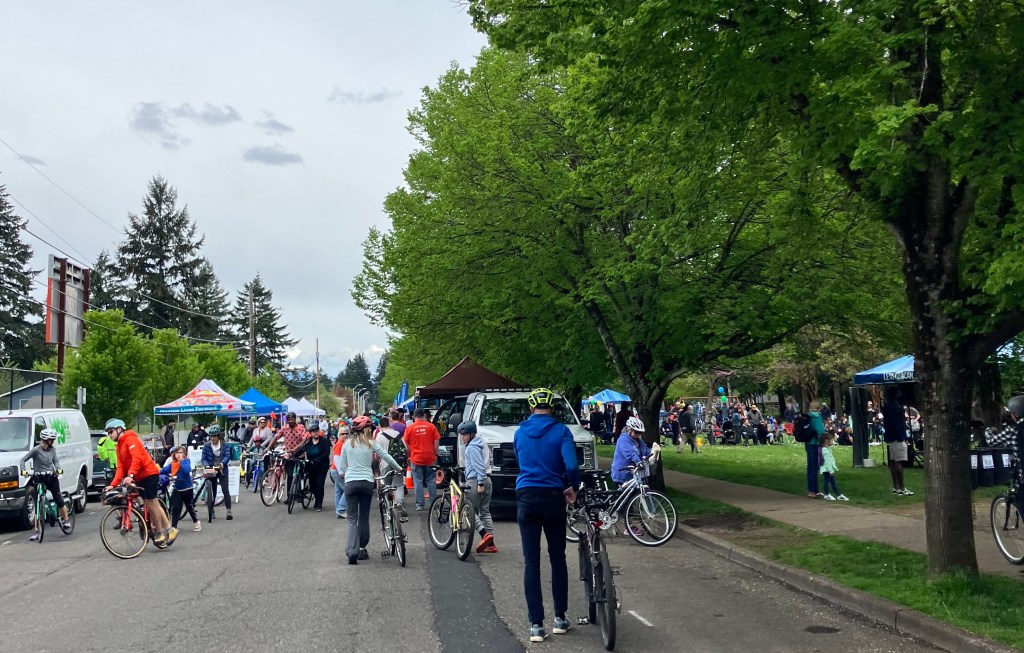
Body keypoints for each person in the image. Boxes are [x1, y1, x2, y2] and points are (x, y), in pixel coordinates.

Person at [513, 388, 579, 642]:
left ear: (531, 408)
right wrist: (572, 486)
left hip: (526, 494)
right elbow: (571, 466)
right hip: (553, 495)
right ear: (552, 408)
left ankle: (536, 625)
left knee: (531, 561)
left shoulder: (520, 432)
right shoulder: (561, 431)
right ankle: (560, 618)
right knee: (557, 557)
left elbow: (522, 461)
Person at [104, 418, 178, 546]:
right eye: (108, 433)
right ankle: (167, 529)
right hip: (138, 477)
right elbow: (120, 468)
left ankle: (161, 532)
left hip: (149, 474)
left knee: (151, 502)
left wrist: (131, 475)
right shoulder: (119, 446)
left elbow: (137, 458)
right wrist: (112, 485)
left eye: (111, 431)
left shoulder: (130, 439)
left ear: (119, 429)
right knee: (146, 502)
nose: (109, 435)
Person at [339, 415, 401, 565]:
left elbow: (342, 467)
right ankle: (361, 548)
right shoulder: (371, 443)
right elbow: (386, 456)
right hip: (367, 483)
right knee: (364, 517)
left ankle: (351, 551)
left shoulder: (347, 444)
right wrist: (399, 468)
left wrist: (348, 474)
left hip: (351, 484)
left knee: (352, 519)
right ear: (367, 430)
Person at [19, 428, 71, 540]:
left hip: (51, 477)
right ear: (46, 440)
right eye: (51, 439)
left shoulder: (52, 450)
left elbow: (56, 461)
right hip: (39, 477)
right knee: (38, 504)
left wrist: (59, 469)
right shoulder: (36, 450)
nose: (53, 441)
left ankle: (66, 521)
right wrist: (23, 471)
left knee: (59, 499)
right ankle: (36, 531)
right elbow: (23, 460)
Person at [460, 419, 497, 553]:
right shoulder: (482, 443)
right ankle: (491, 543)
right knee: (485, 511)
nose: (462, 437)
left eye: (465, 435)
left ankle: (483, 534)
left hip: (476, 481)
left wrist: (480, 483)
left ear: (472, 434)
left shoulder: (471, 448)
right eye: (461, 434)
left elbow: (479, 467)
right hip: (488, 479)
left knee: (468, 508)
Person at [403, 408, 440, 511]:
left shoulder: (410, 428)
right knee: (431, 481)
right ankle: (433, 504)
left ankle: (420, 505)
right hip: (430, 458)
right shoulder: (431, 427)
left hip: (416, 458)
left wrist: (409, 454)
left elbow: (406, 444)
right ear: (424, 416)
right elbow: (436, 442)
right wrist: (435, 454)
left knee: (418, 482)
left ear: (414, 417)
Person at [262, 412, 308, 495]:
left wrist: (295, 448)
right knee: (290, 475)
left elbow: (304, 439)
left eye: (292, 419)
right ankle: (289, 495)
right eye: (289, 419)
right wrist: (268, 447)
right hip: (289, 455)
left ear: (295, 419)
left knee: (300, 474)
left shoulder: (300, 428)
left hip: (299, 453)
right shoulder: (284, 428)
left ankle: (300, 492)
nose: (291, 421)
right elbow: (275, 437)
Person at [291, 422, 331, 511]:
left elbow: (326, 453)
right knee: (312, 486)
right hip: (311, 467)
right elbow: (301, 449)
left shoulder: (324, 441)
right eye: (313, 431)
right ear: (310, 433)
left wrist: (318, 460)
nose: (315, 433)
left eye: (316, 431)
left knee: (319, 484)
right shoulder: (308, 442)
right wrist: (293, 456)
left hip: (321, 466)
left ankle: (319, 503)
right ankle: (316, 499)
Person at [882, 388, 913, 496]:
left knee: (893, 461)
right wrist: (902, 437)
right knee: (899, 462)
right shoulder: (896, 407)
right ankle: (902, 487)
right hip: (897, 437)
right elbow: (897, 424)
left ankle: (896, 486)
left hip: (890, 437)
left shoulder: (886, 406)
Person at [374, 417, 407, 520]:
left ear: (380, 425)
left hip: (385, 464)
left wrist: (377, 463)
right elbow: (406, 448)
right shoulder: (398, 434)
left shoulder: (379, 436)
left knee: (386, 486)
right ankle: (399, 502)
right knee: (399, 484)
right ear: (389, 424)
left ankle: (389, 508)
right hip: (398, 463)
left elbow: (377, 453)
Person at [161, 446, 200, 531]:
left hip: (187, 488)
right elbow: (164, 470)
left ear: (184, 454)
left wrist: (181, 461)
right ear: (174, 454)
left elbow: (186, 470)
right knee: (176, 507)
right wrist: (155, 470)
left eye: (181, 453)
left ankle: (196, 521)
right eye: (177, 453)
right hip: (177, 488)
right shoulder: (172, 464)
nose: (179, 455)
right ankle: (174, 527)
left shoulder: (186, 461)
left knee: (189, 506)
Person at [200, 426, 233, 520]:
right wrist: (206, 465)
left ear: (218, 436)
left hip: (222, 469)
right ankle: (211, 510)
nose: (212, 438)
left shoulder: (224, 445)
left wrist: (223, 463)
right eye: (211, 436)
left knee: (225, 490)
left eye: (214, 436)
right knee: (212, 491)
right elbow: (204, 459)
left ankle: (228, 510)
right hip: (211, 469)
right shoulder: (207, 445)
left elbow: (227, 456)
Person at [611, 416, 651, 484]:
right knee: (627, 494)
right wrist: (638, 462)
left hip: (634, 474)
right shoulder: (623, 440)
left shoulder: (639, 441)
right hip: (622, 474)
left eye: (640, 432)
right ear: (629, 430)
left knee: (639, 493)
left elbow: (646, 451)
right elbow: (630, 454)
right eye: (636, 432)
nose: (638, 434)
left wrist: (653, 454)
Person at [819, 433, 848, 501]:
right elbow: (827, 461)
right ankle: (827, 494)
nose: (833, 442)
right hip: (827, 469)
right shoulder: (825, 450)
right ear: (827, 441)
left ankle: (838, 494)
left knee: (833, 482)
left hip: (829, 469)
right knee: (827, 482)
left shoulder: (827, 449)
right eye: (832, 440)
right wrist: (831, 470)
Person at [805, 402, 824, 498]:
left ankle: (812, 490)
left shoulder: (807, 416)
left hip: (808, 442)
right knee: (815, 467)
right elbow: (820, 430)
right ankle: (814, 490)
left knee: (810, 467)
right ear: (818, 408)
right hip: (816, 443)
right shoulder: (818, 416)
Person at [330, 422, 348, 518]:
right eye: (342, 434)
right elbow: (336, 458)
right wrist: (341, 471)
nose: (345, 435)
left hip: (336, 470)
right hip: (337, 471)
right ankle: (340, 510)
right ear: (339, 435)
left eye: (346, 433)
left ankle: (339, 511)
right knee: (348, 490)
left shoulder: (342, 443)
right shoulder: (340, 444)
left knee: (339, 491)